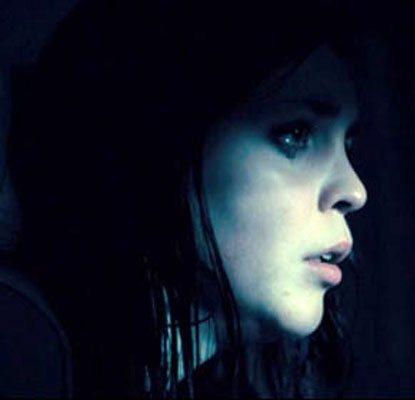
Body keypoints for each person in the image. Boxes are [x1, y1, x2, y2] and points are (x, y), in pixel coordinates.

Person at [7, 0, 369, 397]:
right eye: (295, 133)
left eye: (348, 145)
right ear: (152, 143)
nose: (355, 191)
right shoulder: (17, 334)